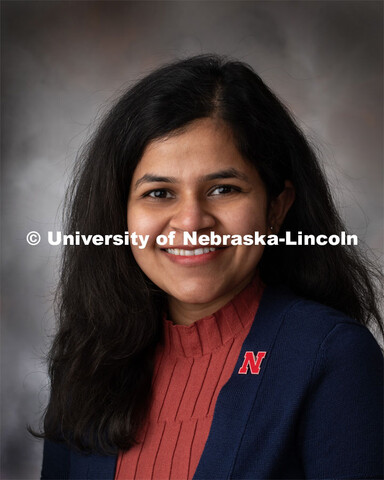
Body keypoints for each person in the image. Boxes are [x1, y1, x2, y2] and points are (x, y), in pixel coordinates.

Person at [37, 55, 383, 479]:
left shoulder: (332, 357)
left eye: (223, 189)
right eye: (159, 193)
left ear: (276, 206)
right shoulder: (88, 362)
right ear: (119, 216)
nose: (191, 222)